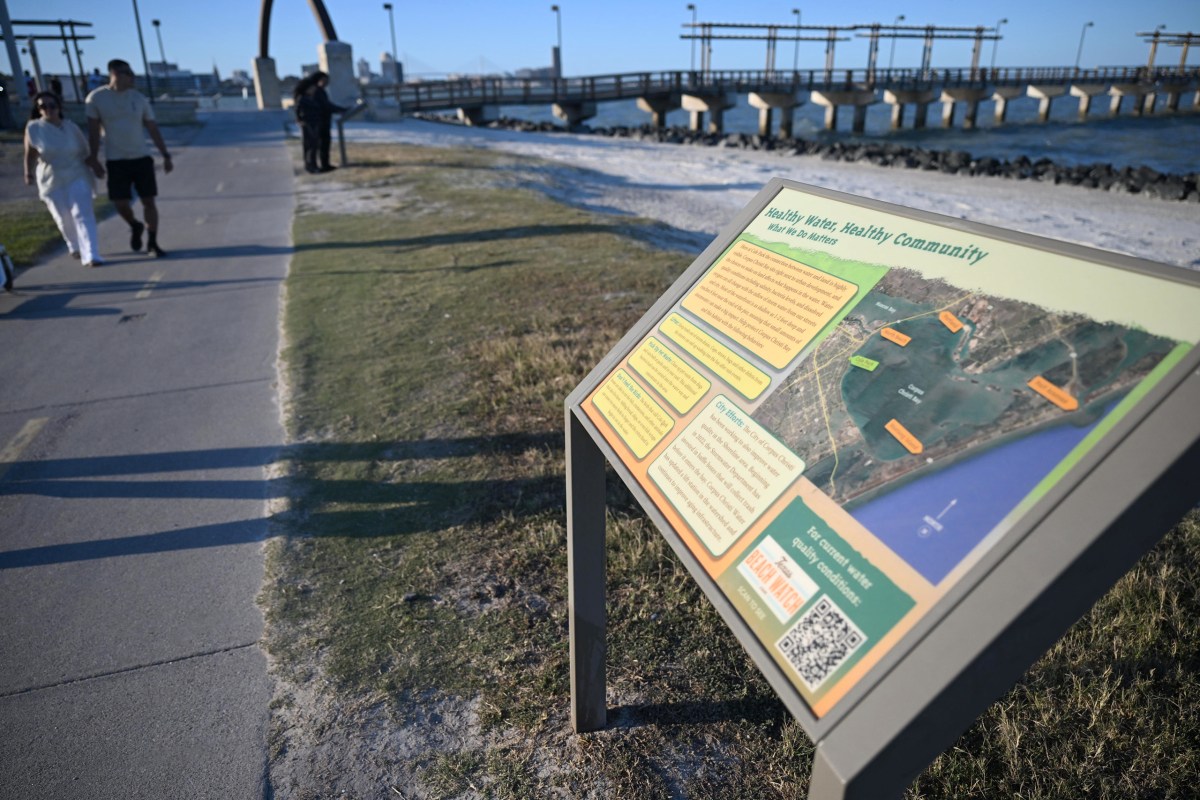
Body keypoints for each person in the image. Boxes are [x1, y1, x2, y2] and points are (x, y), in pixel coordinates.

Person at [85, 59, 172, 258]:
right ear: (115, 73)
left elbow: (152, 128)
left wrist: (165, 155)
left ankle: (152, 242)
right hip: (116, 161)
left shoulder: (139, 99)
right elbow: (93, 132)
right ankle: (135, 225)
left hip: (141, 158)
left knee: (148, 201)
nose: (132, 77)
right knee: (120, 203)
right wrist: (94, 158)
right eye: (128, 73)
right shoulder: (96, 99)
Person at [23, 91, 103, 267]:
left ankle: (91, 254)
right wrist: (27, 172)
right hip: (51, 177)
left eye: (52, 105)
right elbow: (30, 154)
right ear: (38, 109)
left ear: (59, 107)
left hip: (76, 172)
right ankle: (74, 245)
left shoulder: (71, 127)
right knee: (63, 217)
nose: (48, 110)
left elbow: (85, 150)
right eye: (43, 106)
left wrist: (96, 165)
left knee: (83, 214)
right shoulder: (34, 128)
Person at [311, 71, 346, 172]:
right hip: (321, 122)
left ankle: (325, 164)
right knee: (323, 144)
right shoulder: (317, 92)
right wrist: (341, 110)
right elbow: (326, 106)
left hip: (324, 121)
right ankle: (323, 165)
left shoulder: (321, 91)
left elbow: (328, 105)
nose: (327, 83)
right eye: (325, 80)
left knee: (325, 144)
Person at [293, 75, 322, 174]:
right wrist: (300, 121)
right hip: (308, 124)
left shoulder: (311, 98)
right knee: (310, 146)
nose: (314, 90)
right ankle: (310, 166)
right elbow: (297, 110)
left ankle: (313, 165)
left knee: (314, 145)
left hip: (314, 123)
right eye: (312, 88)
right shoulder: (302, 99)